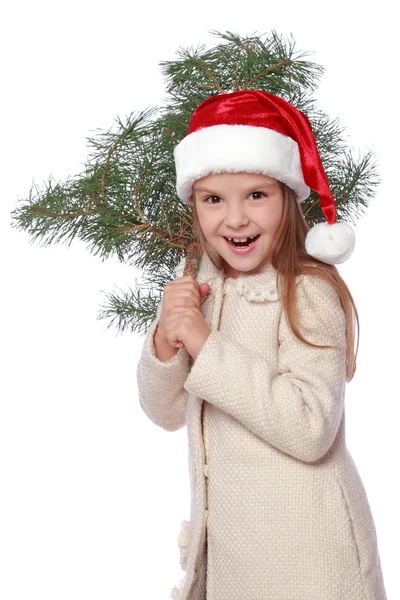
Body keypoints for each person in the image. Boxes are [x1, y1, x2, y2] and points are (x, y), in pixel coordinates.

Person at [136, 91, 387, 600]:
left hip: (310, 557)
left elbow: (310, 425)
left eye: (256, 195)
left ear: (288, 197)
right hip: (234, 555)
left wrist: (206, 345)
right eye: (213, 199)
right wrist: (167, 339)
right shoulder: (203, 282)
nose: (235, 219)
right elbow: (165, 412)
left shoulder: (307, 290)